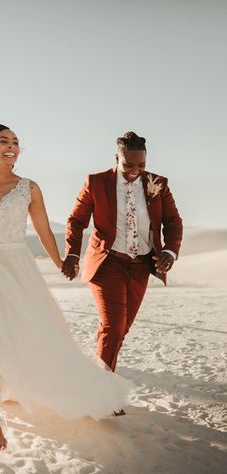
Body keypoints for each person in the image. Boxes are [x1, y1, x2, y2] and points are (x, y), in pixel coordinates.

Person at [0, 124, 132, 452]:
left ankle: (90, 393)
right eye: (4, 141)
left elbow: (43, 231)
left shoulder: (29, 188)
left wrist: (61, 262)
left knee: (37, 335)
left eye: (16, 142)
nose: (11, 146)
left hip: (15, 268)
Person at [62, 132, 183, 391]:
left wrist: (170, 252)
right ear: (116, 158)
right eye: (128, 165)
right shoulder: (95, 182)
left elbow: (172, 221)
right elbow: (76, 220)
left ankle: (97, 374)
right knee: (113, 326)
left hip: (141, 266)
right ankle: (104, 391)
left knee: (121, 328)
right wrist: (72, 254)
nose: (135, 171)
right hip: (108, 264)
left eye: (141, 165)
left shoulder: (158, 183)